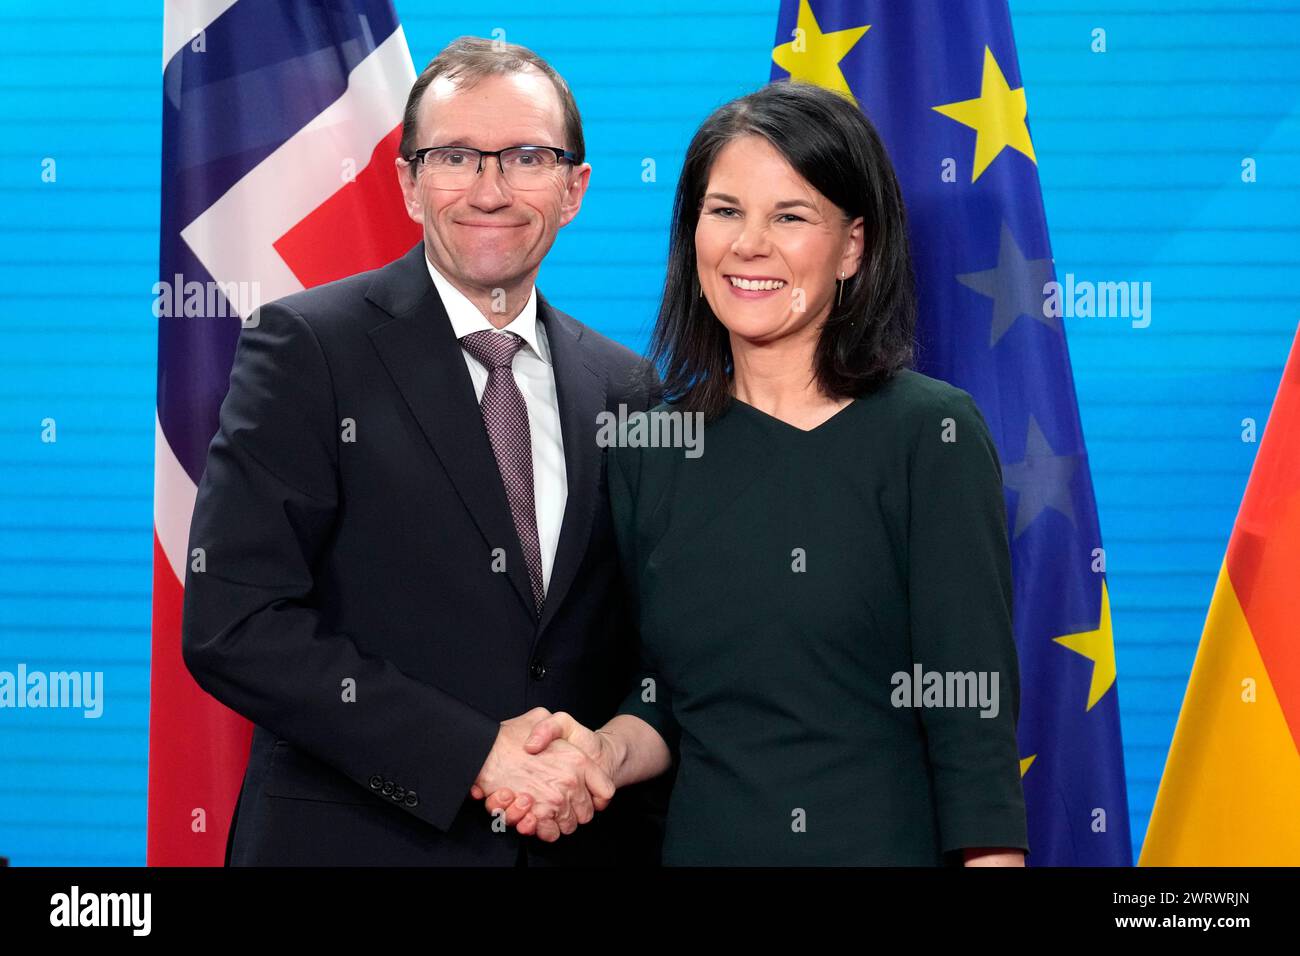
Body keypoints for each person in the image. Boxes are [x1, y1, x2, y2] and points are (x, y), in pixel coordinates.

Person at [479, 81, 1031, 865]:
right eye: (726, 210)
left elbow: (972, 731)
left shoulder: (929, 437)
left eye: (791, 216)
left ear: (853, 247)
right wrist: (599, 754)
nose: (749, 245)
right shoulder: (648, 446)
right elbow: (665, 695)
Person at [181, 36, 665, 866]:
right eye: (454, 157)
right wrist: (474, 752)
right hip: (354, 843)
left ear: (574, 187)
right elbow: (236, 623)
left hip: (572, 847)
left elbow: (651, 642)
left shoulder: (626, 387)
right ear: (408, 182)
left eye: (526, 157)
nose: (490, 189)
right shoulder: (307, 349)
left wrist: (596, 758)